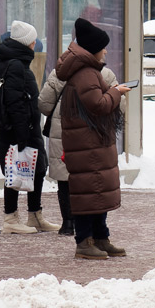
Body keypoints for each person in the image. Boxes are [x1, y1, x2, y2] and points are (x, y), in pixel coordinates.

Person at [56, 17, 130, 260]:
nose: (106, 51)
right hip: (87, 144)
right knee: (88, 193)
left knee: (95, 192)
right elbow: (98, 105)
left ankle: (100, 237)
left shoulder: (85, 70)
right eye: (103, 47)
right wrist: (116, 92)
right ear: (93, 49)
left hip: (89, 143)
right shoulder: (86, 73)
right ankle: (84, 241)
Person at [38, 54, 118, 237]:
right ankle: (93, 229)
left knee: (65, 178)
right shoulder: (105, 74)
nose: (106, 52)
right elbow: (118, 107)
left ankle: (67, 223)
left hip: (63, 131)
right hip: (93, 133)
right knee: (90, 179)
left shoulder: (58, 74)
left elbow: (43, 104)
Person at [0, 21, 58, 235]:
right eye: (32, 40)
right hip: (19, 128)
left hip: (24, 126)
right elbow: (14, 102)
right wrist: (22, 134)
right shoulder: (15, 65)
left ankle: (35, 215)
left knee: (38, 168)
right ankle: (10, 218)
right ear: (27, 42)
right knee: (14, 169)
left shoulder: (15, 62)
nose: (35, 44)